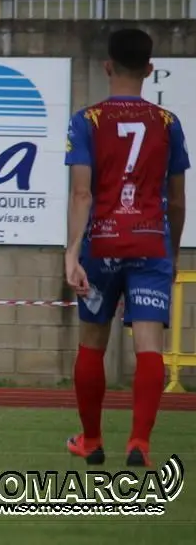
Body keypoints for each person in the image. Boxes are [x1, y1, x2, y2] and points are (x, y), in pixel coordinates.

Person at [64, 28, 188, 468]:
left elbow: (82, 192)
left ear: (107, 66)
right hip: (151, 242)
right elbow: (177, 200)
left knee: (92, 342)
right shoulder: (168, 123)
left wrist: (72, 252)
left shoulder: (87, 120)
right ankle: (139, 443)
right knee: (149, 346)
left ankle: (92, 440)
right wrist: (172, 253)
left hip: (102, 243)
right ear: (149, 69)